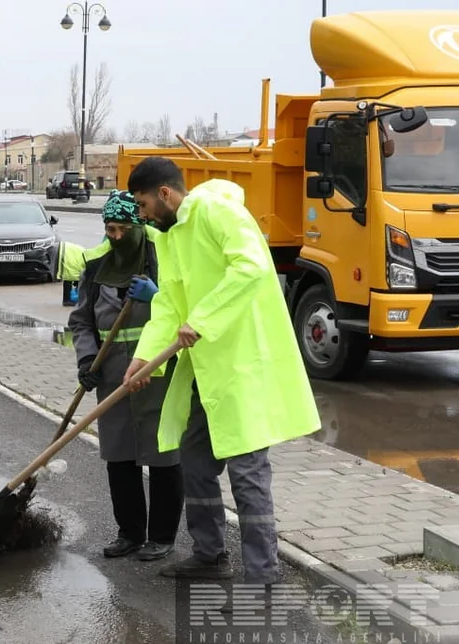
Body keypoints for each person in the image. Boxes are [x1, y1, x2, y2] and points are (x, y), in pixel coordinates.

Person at [123, 157, 320, 583]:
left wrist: (203, 320)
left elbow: (251, 266)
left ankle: (262, 575)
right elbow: (169, 303)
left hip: (241, 367)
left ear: (164, 193)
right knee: (195, 464)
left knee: (247, 475)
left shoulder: (216, 210)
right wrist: (144, 357)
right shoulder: (169, 236)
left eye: (142, 204)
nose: (141, 214)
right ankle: (210, 555)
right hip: (203, 372)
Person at [69, 191, 183, 561]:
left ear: (139, 225)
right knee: (119, 456)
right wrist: (88, 361)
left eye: (123, 229)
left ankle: (162, 536)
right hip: (112, 374)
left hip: (158, 372)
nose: (116, 237)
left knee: (162, 455)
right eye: (110, 229)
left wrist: (156, 295)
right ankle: (129, 533)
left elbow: (184, 308)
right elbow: (81, 321)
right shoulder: (96, 266)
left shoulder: (162, 256)